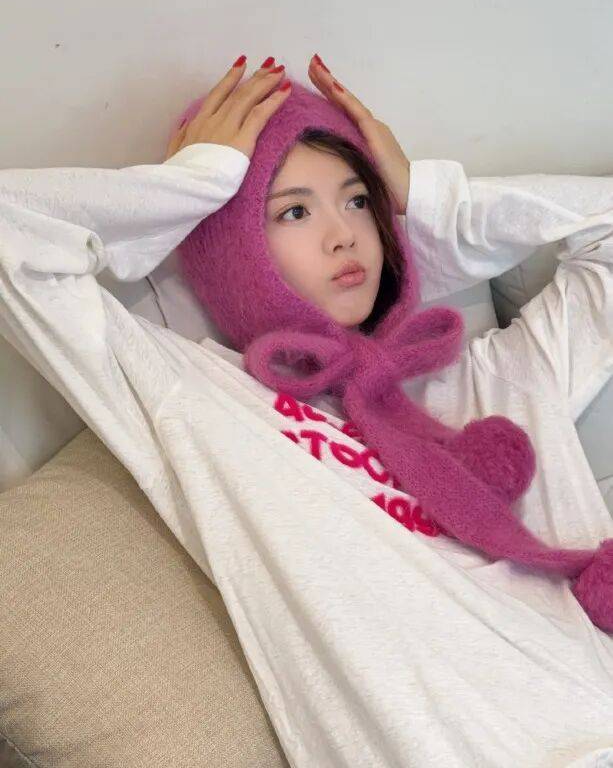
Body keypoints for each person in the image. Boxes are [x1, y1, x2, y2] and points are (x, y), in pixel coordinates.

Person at [1, 53, 613, 767]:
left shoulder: (489, 376)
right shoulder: (200, 399)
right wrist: (194, 185)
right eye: (293, 211)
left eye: (357, 201)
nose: (343, 234)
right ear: (232, 246)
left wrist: (428, 199)